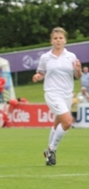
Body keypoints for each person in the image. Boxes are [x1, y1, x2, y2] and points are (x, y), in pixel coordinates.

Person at [32, 27, 82, 166]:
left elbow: (78, 76)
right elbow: (41, 73)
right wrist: (38, 76)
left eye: (60, 38)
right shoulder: (45, 57)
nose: (58, 40)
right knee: (67, 122)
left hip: (67, 94)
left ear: (65, 40)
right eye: (55, 38)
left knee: (58, 123)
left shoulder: (71, 56)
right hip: (52, 93)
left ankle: (49, 154)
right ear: (51, 40)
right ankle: (51, 149)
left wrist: (78, 70)